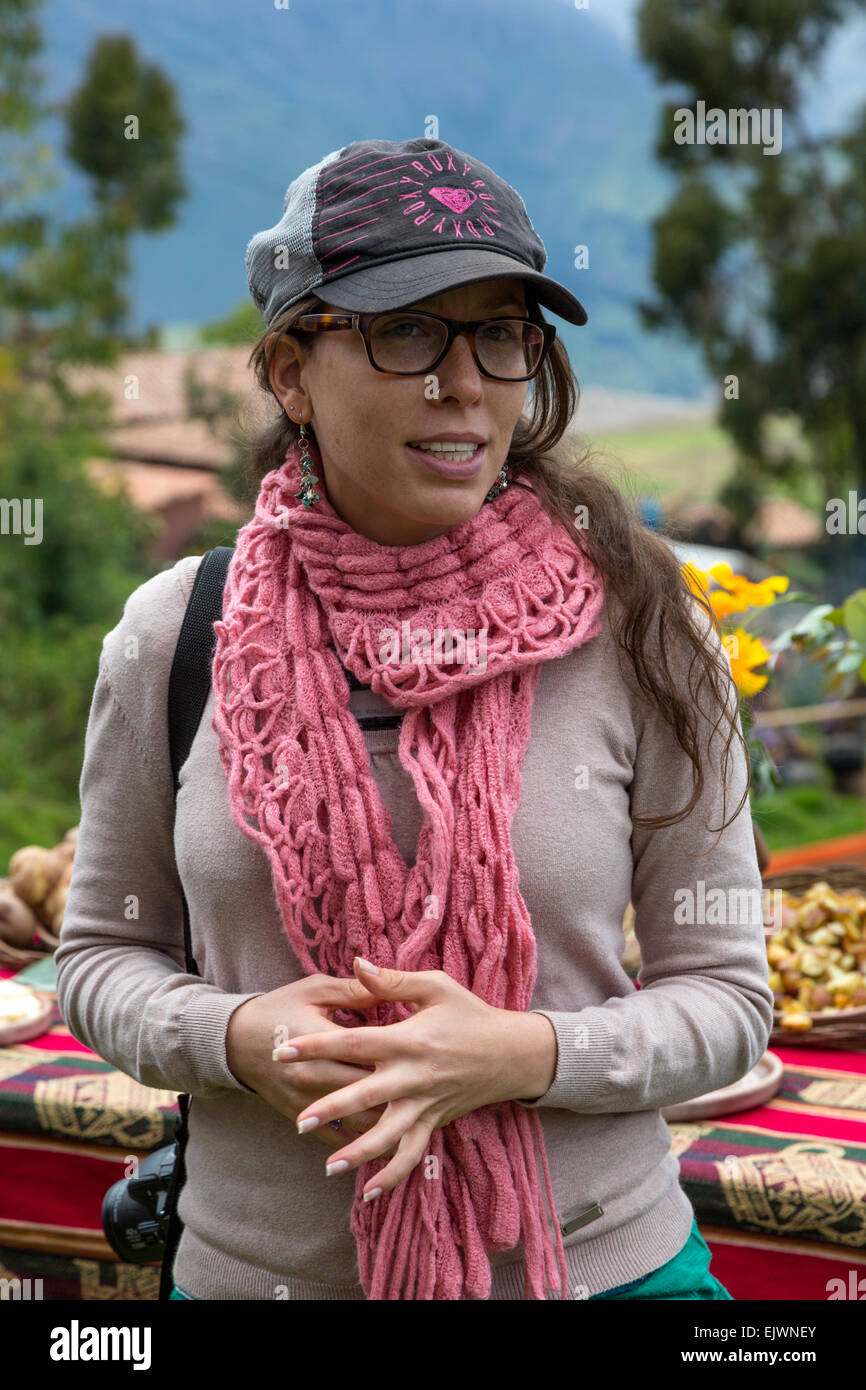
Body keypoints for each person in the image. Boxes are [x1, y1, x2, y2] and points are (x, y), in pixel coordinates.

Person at [55, 137, 773, 1301]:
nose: (465, 383)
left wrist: (521, 1055)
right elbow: (97, 959)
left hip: (591, 1276)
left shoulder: (642, 628)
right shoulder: (175, 634)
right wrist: (237, 1037)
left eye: (500, 333)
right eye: (406, 330)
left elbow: (729, 1000)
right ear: (291, 368)